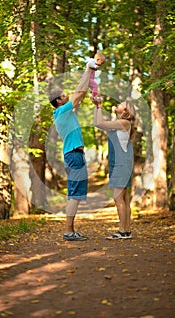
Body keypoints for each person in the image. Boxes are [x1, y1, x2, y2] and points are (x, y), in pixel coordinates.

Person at [49, 68, 93, 241]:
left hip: (74, 155)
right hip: (74, 156)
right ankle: (68, 231)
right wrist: (88, 70)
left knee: (75, 194)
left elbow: (79, 95)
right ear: (59, 101)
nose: (66, 95)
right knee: (74, 195)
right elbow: (79, 93)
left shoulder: (64, 113)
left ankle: (71, 230)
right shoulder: (61, 112)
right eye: (63, 95)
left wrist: (89, 77)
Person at [92, 96, 136, 239]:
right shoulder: (122, 123)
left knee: (118, 198)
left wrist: (99, 105)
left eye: (121, 104)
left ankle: (122, 231)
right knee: (124, 198)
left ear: (125, 112)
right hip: (122, 163)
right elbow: (97, 122)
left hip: (121, 164)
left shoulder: (123, 122)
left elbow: (99, 123)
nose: (118, 104)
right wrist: (96, 107)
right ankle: (127, 231)